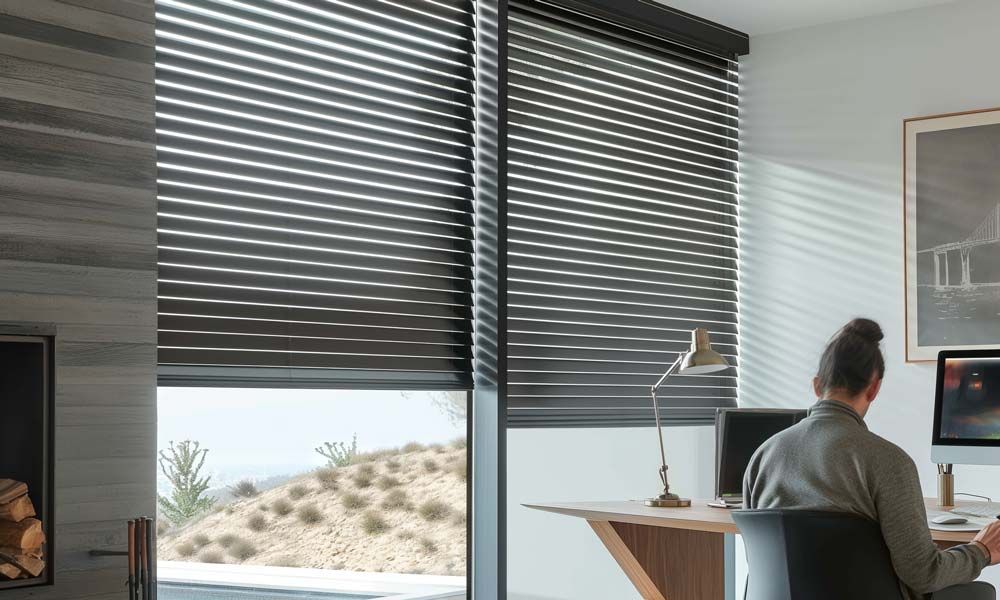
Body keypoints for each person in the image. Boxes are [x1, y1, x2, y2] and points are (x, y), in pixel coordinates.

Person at [743, 318, 1000, 600]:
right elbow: (923, 574)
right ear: (874, 389)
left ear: (817, 386)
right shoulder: (888, 461)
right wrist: (981, 550)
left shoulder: (762, 457)